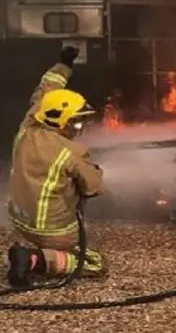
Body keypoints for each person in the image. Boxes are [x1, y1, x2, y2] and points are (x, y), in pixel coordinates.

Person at [6, 88, 107, 288]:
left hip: (19, 220)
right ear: (63, 121)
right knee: (96, 264)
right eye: (76, 121)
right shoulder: (72, 152)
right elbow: (94, 187)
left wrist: (65, 64)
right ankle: (35, 259)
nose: (78, 128)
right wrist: (94, 171)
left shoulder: (26, 129)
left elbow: (44, 92)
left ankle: (37, 251)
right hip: (54, 233)